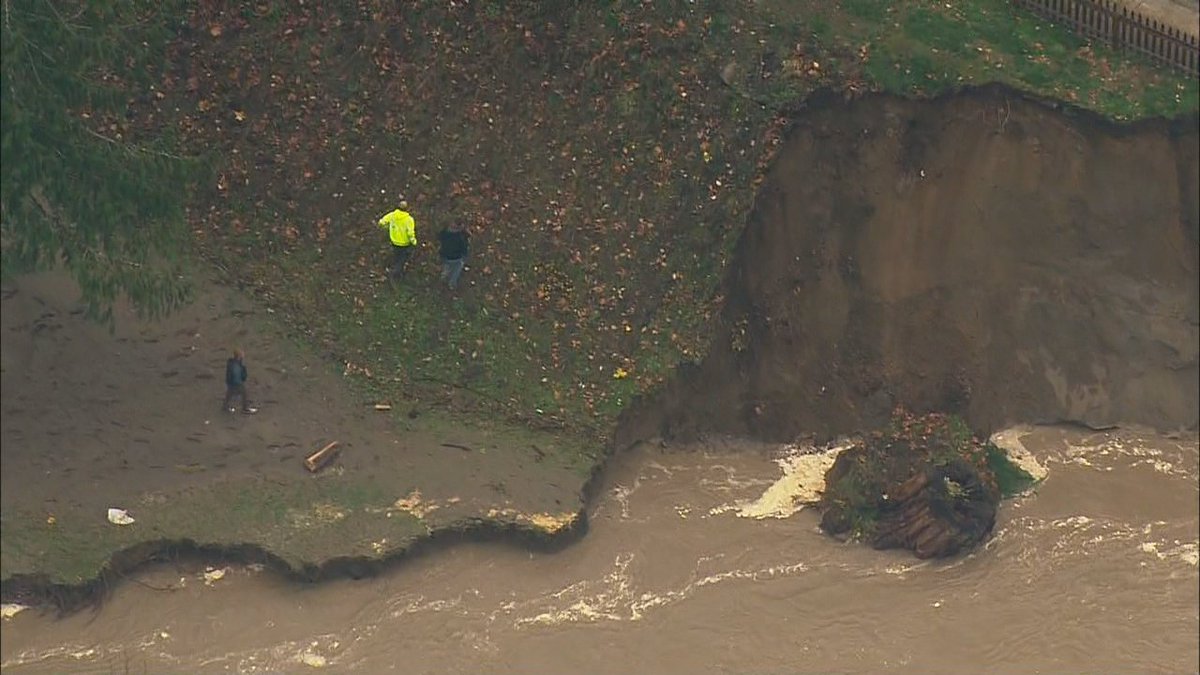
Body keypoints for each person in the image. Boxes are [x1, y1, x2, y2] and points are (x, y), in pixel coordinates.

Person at [378, 202, 417, 281]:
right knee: (402, 259)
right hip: (405, 243)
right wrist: (414, 242)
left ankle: (395, 271)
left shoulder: (392, 215)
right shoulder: (409, 219)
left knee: (396, 256)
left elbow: (381, 222)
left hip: (394, 241)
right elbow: (410, 233)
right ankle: (396, 273)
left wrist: (387, 228)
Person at [437, 220, 470, 290]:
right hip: (456, 257)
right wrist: (465, 255)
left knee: (447, 266)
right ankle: (452, 284)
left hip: (445, 255)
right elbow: (464, 248)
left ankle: (443, 277)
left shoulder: (445, 233)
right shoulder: (460, 237)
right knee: (457, 269)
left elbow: (439, 237)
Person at [223, 349, 256, 414]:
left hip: (234, 383)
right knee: (244, 393)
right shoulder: (235, 365)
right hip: (235, 383)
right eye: (242, 354)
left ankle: (225, 406)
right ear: (239, 356)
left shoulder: (236, 363)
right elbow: (234, 374)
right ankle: (245, 408)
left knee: (229, 394)